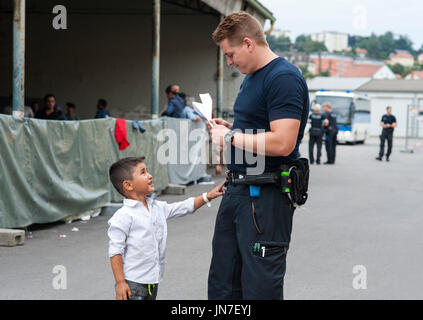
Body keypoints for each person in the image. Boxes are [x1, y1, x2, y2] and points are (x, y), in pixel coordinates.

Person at [207, 12, 309, 300]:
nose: (229, 63)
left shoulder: (283, 78)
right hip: (238, 192)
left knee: (259, 288)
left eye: (230, 54)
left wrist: (230, 138)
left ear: (249, 43)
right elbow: (262, 130)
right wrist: (235, 128)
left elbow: (283, 142)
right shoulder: (252, 78)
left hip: (264, 199)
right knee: (223, 286)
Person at [107, 157, 225, 300]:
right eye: (143, 172)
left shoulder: (156, 207)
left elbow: (183, 207)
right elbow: (115, 251)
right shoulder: (124, 216)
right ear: (128, 185)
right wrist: (120, 283)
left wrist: (208, 196)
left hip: (152, 281)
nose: (150, 175)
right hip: (133, 284)